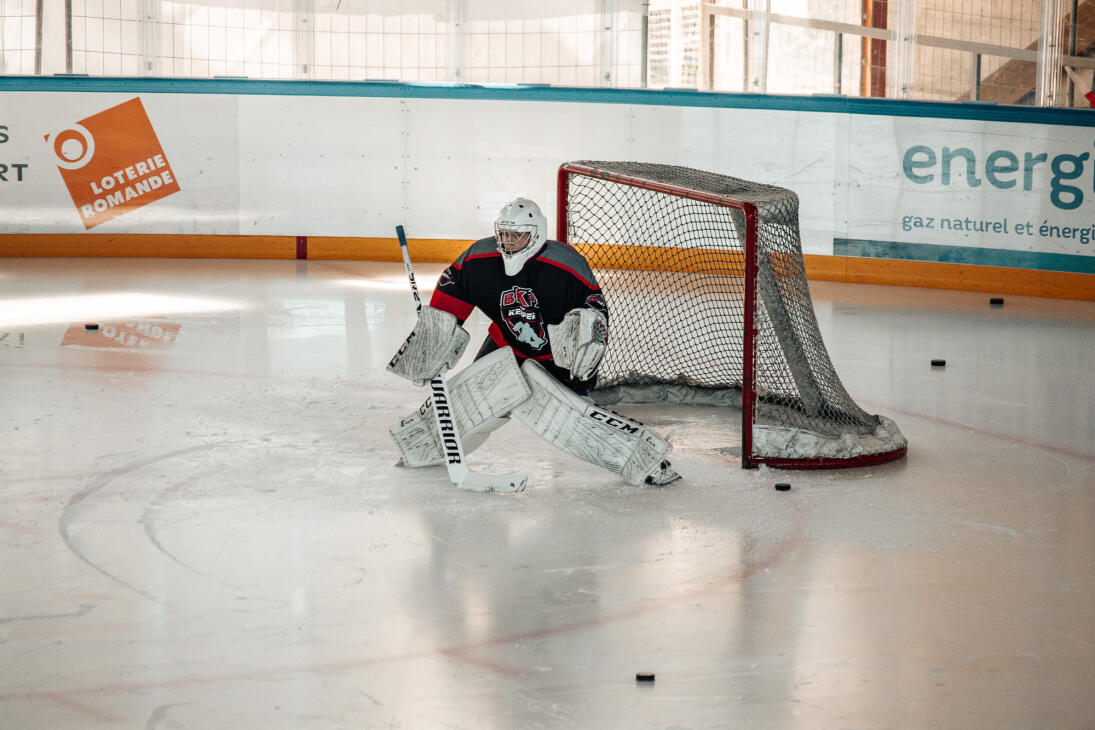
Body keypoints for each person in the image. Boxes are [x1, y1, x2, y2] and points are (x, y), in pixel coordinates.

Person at [387, 197, 679, 487]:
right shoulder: (479, 259)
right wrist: (434, 338)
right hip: (506, 346)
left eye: (518, 235)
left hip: (555, 360)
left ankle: (648, 460)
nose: (508, 242)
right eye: (503, 234)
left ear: (537, 233)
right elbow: (451, 295)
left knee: (574, 423)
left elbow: (593, 317)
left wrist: (584, 349)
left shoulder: (566, 267)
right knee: (474, 405)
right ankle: (422, 447)